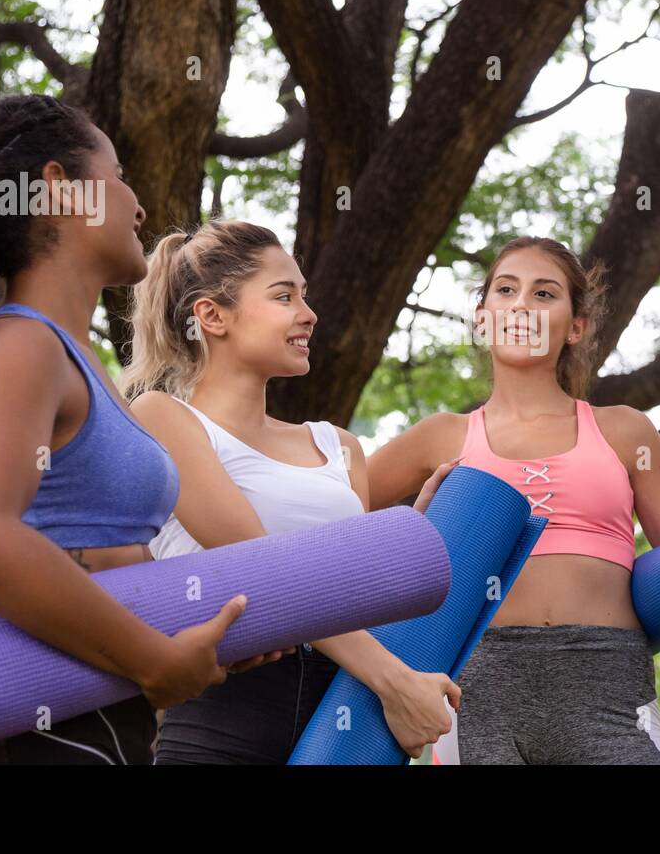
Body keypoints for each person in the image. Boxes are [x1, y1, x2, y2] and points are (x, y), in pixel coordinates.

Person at [0, 95, 273, 764]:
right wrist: (154, 660)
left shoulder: (76, 359)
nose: (136, 202)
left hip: (97, 727)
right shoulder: (21, 345)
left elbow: (97, 553)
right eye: (119, 173)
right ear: (58, 189)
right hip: (45, 736)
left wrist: (200, 635)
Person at [368, 235, 660, 764]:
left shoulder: (625, 431)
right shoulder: (440, 436)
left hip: (608, 686)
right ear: (483, 317)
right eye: (506, 290)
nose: (522, 305)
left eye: (544, 293)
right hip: (475, 690)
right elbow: (333, 526)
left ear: (575, 326)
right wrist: (412, 534)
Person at [123, 220, 460, 763]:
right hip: (228, 716)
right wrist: (396, 683)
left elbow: (356, 600)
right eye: (284, 296)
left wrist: (407, 545)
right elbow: (259, 565)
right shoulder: (162, 419)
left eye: (305, 295)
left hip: (347, 712)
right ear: (212, 316)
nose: (309, 313)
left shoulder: (339, 446)